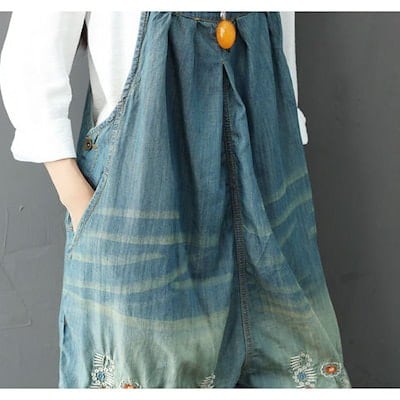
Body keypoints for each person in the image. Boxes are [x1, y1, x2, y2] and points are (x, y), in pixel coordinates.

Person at [0, 11, 352, 388]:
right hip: (142, 202)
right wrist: (81, 203)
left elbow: (282, 48)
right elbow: (31, 61)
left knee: (295, 367)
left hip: (270, 184)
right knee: (150, 372)